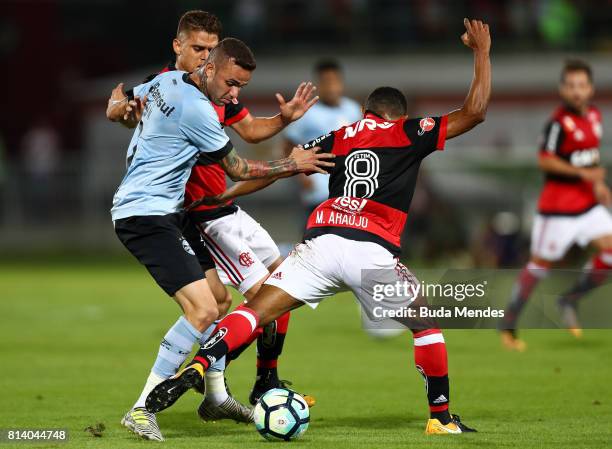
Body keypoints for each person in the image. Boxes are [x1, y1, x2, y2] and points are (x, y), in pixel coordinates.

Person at [146, 18, 491, 436]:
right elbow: (474, 112)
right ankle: (440, 418)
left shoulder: (340, 135)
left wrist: (231, 192)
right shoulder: (408, 131)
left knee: (254, 312)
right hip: (371, 251)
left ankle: (200, 365)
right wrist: (481, 53)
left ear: (365, 113)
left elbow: (284, 166)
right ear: (397, 114)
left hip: (320, 244)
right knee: (426, 326)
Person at [106, 11, 318, 441]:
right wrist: (292, 164)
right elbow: (239, 169)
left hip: (168, 213)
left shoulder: (168, 81)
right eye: (231, 83)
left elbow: (124, 96)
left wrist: (118, 108)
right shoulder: (198, 109)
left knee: (218, 301)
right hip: (145, 213)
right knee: (205, 308)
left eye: (241, 86)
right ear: (207, 66)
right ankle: (142, 407)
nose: (235, 93)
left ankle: (216, 393)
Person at [499, 59, 612, 351]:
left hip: (588, 206)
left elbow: (591, 158)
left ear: (590, 88)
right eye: (571, 86)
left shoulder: (595, 116)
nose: (577, 91)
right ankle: (509, 323)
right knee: (539, 267)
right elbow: (544, 159)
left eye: (582, 85)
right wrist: (584, 174)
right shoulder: (558, 123)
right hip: (557, 211)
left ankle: (569, 299)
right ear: (562, 89)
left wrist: (598, 184)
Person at [283, 60, 362, 227]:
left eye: (335, 81)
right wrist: (299, 176)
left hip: (346, 189)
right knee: (314, 239)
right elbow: (288, 145)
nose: (332, 86)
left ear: (341, 83)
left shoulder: (353, 110)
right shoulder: (307, 112)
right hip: (316, 189)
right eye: (327, 82)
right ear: (319, 84)